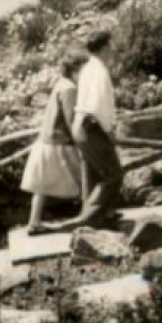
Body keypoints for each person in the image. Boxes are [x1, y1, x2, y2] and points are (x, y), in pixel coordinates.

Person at [35, 28, 125, 232]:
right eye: (111, 46)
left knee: (94, 174)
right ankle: (86, 220)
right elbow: (96, 105)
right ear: (104, 48)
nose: (114, 50)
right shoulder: (99, 71)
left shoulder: (88, 69)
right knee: (113, 175)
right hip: (90, 125)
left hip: (82, 125)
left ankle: (100, 217)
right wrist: (109, 129)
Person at [22, 46, 89, 230]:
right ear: (75, 68)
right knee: (83, 176)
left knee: (41, 184)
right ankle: (88, 216)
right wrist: (79, 140)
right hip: (60, 143)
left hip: (47, 140)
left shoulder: (61, 83)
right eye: (83, 68)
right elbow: (70, 118)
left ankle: (34, 221)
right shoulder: (69, 89)